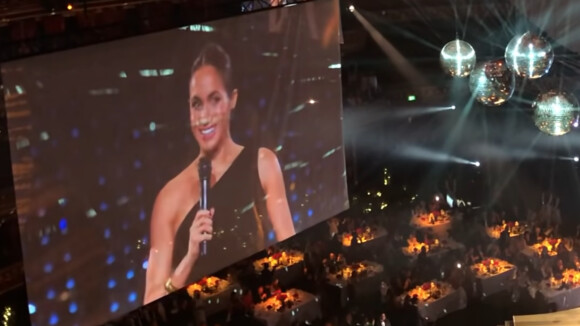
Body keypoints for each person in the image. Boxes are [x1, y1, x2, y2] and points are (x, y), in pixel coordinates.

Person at [144, 43, 296, 304]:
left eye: (214, 100)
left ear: (232, 99)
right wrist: (189, 257)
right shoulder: (169, 197)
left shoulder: (262, 163)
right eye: (196, 104)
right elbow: (151, 299)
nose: (204, 117)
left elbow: (290, 247)